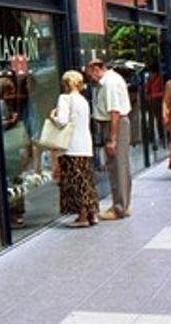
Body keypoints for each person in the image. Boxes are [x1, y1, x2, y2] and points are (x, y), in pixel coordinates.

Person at [50, 70, 98, 227]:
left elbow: (62, 121)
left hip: (71, 146)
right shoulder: (83, 100)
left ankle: (82, 216)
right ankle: (92, 213)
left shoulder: (64, 98)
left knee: (75, 181)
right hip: (85, 145)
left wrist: (53, 117)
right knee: (86, 180)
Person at [86, 57, 132, 220]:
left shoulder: (110, 83)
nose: (89, 78)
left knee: (117, 166)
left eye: (89, 73)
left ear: (96, 69)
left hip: (115, 125)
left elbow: (114, 112)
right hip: (114, 124)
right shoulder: (108, 81)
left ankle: (119, 207)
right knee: (120, 165)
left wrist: (112, 139)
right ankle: (123, 204)